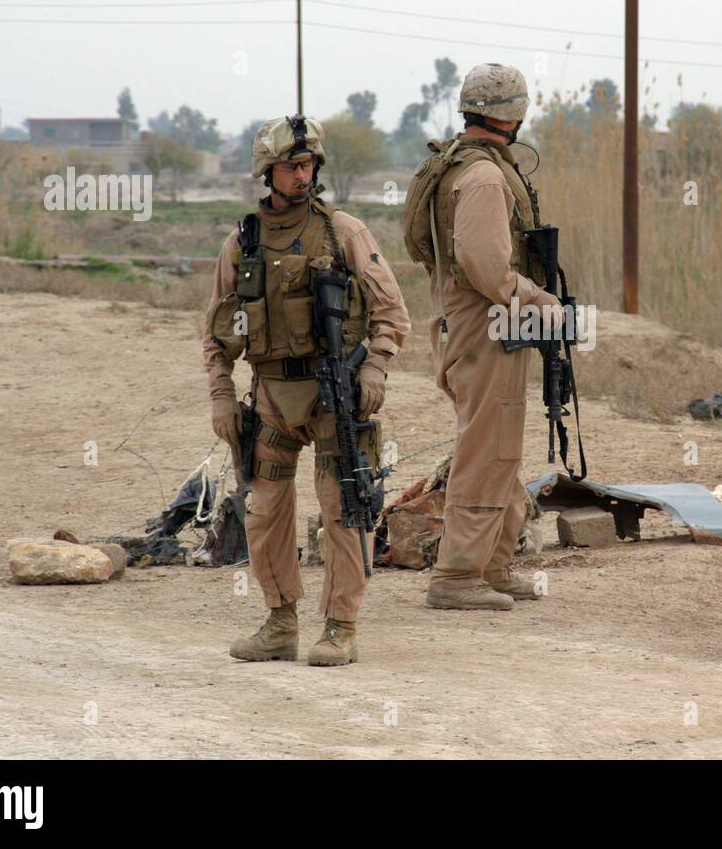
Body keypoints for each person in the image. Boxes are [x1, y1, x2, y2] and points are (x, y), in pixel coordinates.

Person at [203, 114, 409, 666]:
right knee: (265, 508)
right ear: (267, 173)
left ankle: (340, 626)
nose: (302, 173)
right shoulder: (242, 241)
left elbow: (391, 313)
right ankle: (279, 622)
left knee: (343, 506)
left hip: (333, 393)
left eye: (308, 163)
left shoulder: (344, 232)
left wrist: (374, 369)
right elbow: (217, 333)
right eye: (291, 165)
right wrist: (222, 394)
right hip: (270, 395)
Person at [410, 63, 561, 610]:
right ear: (514, 115)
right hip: (484, 322)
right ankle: (457, 575)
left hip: (475, 321)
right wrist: (542, 302)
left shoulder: (463, 166)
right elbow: (486, 266)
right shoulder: (483, 177)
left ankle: (492, 564)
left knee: (499, 446)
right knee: (485, 448)